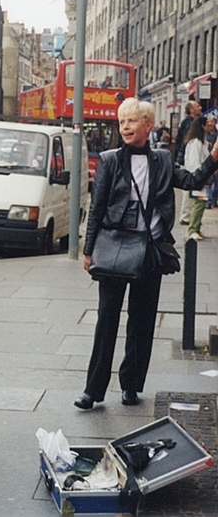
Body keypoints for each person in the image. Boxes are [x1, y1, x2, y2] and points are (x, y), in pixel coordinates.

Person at [74, 97, 218, 411]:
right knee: (106, 321)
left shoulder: (163, 160)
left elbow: (192, 181)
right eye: (121, 122)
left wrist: (214, 158)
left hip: (150, 252)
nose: (125, 127)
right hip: (113, 250)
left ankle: (131, 387)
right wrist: (88, 251)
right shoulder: (111, 160)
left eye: (131, 121)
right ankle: (93, 390)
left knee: (142, 322)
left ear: (148, 125)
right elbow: (96, 208)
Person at [175, 100, 202, 224]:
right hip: (188, 158)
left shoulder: (187, 122)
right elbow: (186, 141)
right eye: (197, 106)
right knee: (187, 187)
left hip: (185, 156)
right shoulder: (190, 124)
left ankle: (188, 215)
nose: (200, 107)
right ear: (191, 110)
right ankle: (186, 216)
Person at [184, 116, 211, 240]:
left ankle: (196, 227)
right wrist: (198, 176)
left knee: (201, 202)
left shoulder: (201, 141)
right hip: (199, 176)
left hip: (202, 176)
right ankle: (193, 229)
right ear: (202, 126)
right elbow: (195, 162)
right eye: (206, 124)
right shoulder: (196, 143)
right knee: (198, 203)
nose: (209, 126)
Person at [204, 115, 218, 209]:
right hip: (207, 161)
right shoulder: (204, 135)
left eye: (212, 121)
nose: (210, 123)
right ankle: (208, 201)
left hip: (216, 161)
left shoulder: (217, 134)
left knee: (216, 183)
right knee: (208, 182)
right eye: (208, 121)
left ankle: (213, 200)